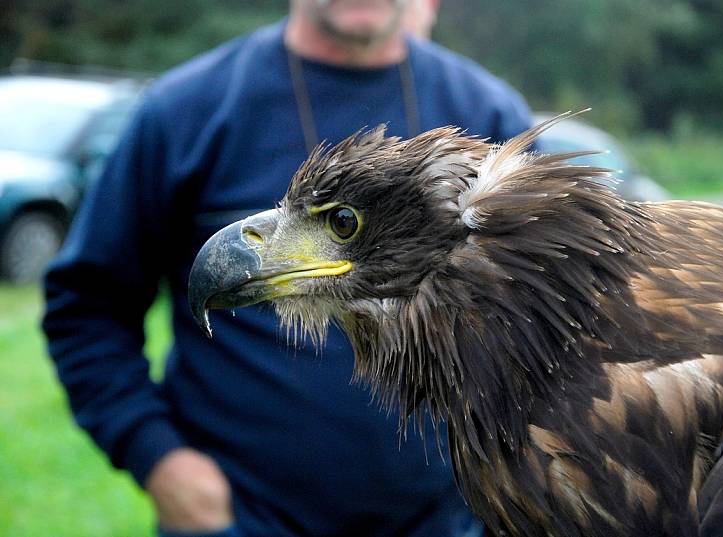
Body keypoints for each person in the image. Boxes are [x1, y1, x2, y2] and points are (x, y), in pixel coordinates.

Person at [42, 1, 533, 535]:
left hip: (448, 519)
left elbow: (553, 337)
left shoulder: (489, 118)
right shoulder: (188, 109)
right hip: (243, 518)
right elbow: (87, 307)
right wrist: (157, 457)